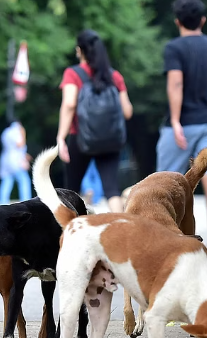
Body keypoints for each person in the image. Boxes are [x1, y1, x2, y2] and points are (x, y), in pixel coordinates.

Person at [156, 0, 207, 258]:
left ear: (177, 22)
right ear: (203, 20)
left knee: (165, 179)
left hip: (182, 125)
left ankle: (165, 237)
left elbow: (176, 84)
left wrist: (175, 120)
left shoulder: (174, 48)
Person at [56, 29, 133, 213]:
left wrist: (60, 138)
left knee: (71, 190)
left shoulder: (73, 73)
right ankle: (123, 231)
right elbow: (128, 112)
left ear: (79, 50)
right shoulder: (114, 76)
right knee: (112, 189)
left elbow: (69, 104)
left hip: (80, 138)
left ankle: (70, 234)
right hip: (110, 141)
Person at [0, 121, 32, 204]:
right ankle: (26, 202)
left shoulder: (5, 132)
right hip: (16, 161)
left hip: (6, 160)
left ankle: (2, 203)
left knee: (7, 181)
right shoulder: (16, 131)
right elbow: (20, 144)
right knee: (24, 180)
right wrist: (23, 133)